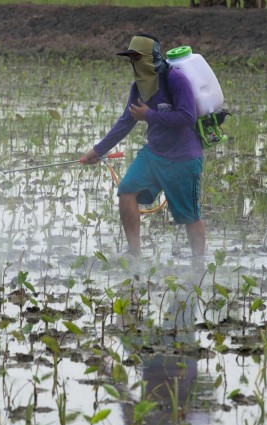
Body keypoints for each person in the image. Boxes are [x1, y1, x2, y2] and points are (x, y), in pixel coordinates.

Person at [80, 33, 206, 265]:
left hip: (183, 158)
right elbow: (126, 121)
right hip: (153, 154)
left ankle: (200, 265)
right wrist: (97, 150)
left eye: (137, 58)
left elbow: (188, 118)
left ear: (151, 58)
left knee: (190, 216)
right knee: (126, 191)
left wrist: (149, 115)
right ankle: (134, 253)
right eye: (130, 59)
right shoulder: (138, 87)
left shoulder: (176, 80)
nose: (133, 63)